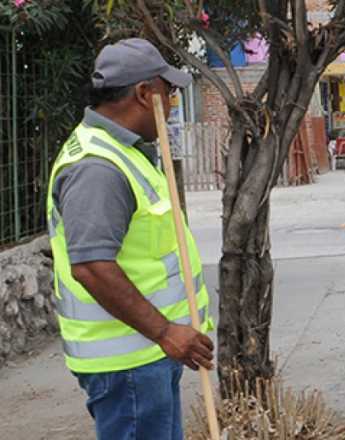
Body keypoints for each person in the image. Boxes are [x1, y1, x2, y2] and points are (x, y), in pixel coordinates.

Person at [46, 38, 215, 440]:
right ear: (144, 94)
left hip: (146, 356)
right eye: (169, 93)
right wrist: (165, 331)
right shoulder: (98, 167)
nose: (172, 106)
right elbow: (91, 266)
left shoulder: (125, 151)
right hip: (130, 362)